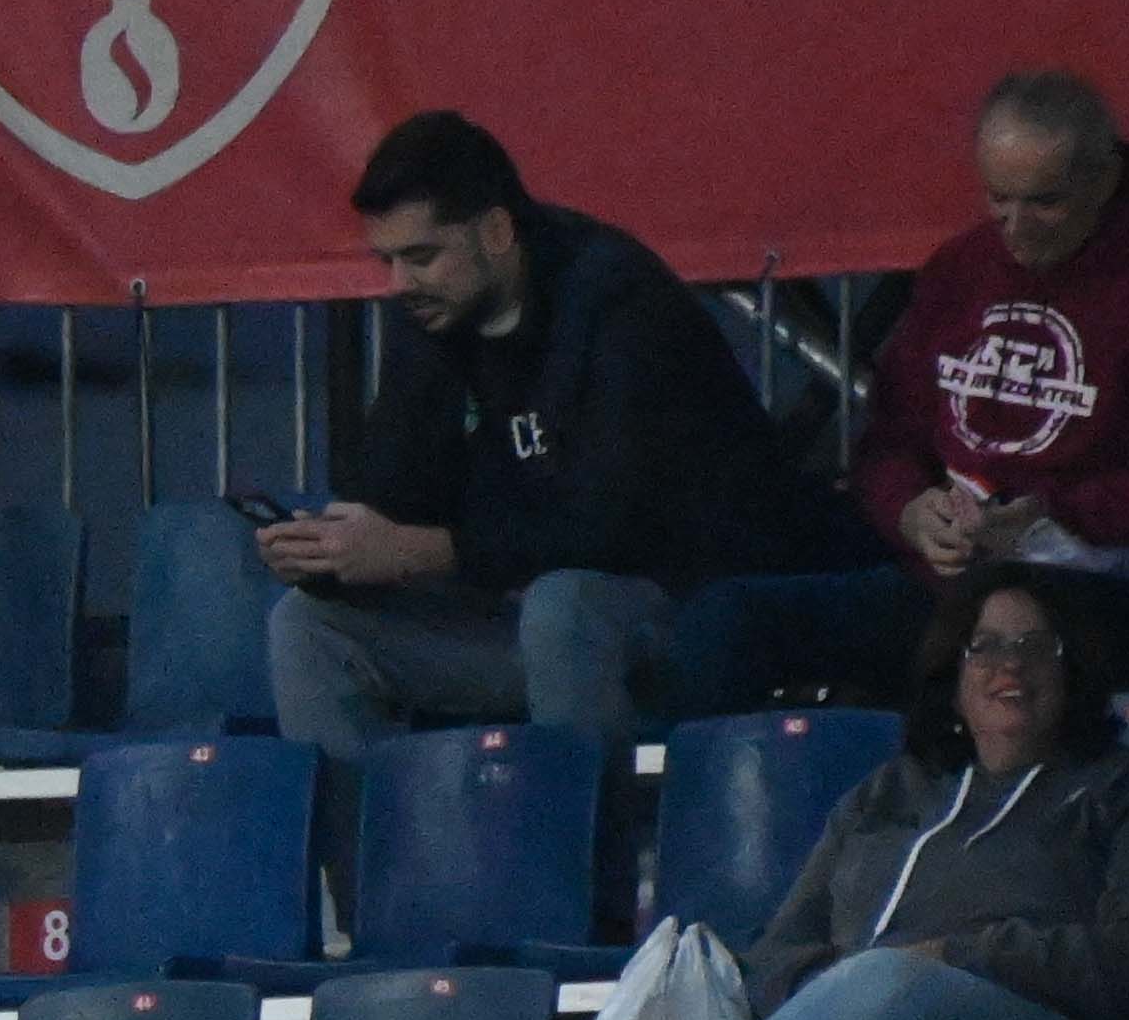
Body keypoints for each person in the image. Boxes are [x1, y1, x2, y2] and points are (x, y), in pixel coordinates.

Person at [585, 577, 1129, 1020]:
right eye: (984, 647)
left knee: (878, 979)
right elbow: (780, 955)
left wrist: (958, 955)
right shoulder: (889, 794)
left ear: (1071, 666)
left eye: (1035, 646)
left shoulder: (1125, 788)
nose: (1010, 665)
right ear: (953, 674)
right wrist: (840, 1010)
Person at [243, 111, 837, 746]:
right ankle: (368, 842)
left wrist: (424, 550)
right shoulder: (433, 314)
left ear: (496, 231)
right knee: (307, 627)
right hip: (521, 618)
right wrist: (331, 549)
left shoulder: (616, 299)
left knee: (564, 608)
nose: (399, 284)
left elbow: (615, 523)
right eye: (387, 260)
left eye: (421, 257)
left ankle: (596, 835)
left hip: (686, 616)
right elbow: (398, 485)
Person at [838, 73, 1129, 690]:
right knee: (740, 621)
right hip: (957, 579)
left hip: (1115, 580)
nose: (1015, 225)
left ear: (1104, 181)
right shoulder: (960, 270)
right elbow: (889, 443)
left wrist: (1056, 515)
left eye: (1044, 202)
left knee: (1001, 628)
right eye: (998, 199)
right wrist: (911, 509)